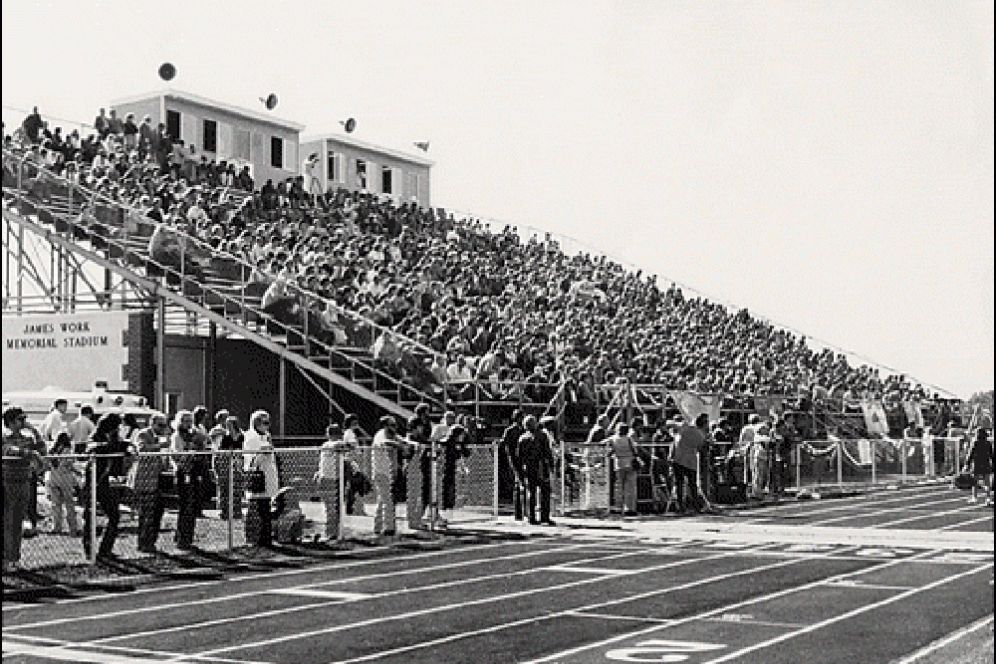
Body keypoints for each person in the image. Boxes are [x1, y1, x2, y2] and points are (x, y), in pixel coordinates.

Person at [81, 412, 131, 560]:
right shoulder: (96, 438)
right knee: (90, 518)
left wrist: (126, 447)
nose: (118, 429)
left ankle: (105, 549)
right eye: (116, 426)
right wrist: (110, 445)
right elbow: (91, 449)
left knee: (114, 516)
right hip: (94, 482)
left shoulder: (118, 440)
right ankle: (89, 551)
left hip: (109, 483)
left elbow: (124, 450)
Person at [3, 407, 45, 572]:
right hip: (8, 482)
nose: (23, 422)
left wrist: (35, 431)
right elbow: (8, 451)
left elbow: (42, 450)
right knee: (8, 521)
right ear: (11, 422)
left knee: (17, 522)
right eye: (20, 419)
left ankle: (14, 558)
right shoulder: (4, 438)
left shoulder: (28, 438)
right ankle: (7, 558)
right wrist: (29, 454)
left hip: (24, 481)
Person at [128, 412, 170, 553]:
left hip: (156, 478)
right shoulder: (143, 434)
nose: (163, 428)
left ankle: (151, 541)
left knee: (158, 511)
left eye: (165, 425)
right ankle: (143, 543)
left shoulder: (161, 436)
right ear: (152, 424)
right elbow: (142, 449)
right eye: (160, 425)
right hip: (144, 479)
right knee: (146, 513)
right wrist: (160, 445)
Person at [170, 410, 210, 551]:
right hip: (183, 472)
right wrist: (190, 453)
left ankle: (187, 536)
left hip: (194, 471)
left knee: (192, 505)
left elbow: (202, 447)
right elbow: (177, 455)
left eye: (190, 421)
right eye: (185, 421)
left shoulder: (194, 434)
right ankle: (182, 538)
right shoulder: (177, 436)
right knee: (185, 505)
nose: (188, 424)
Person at [244, 409, 279, 547]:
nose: (267, 425)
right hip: (258, 475)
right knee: (258, 508)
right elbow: (252, 457)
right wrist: (262, 451)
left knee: (266, 508)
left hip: (268, 474)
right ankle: (257, 538)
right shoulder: (251, 437)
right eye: (264, 422)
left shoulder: (266, 436)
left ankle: (266, 537)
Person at [371, 416, 409, 536]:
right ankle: (389, 528)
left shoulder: (394, 436)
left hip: (389, 472)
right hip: (380, 472)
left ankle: (377, 527)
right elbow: (385, 443)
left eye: (395, 425)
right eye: (392, 425)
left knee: (382, 500)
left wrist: (412, 444)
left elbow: (403, 440)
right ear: (385, 426)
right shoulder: (380, 435)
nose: (395, 427)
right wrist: (400, 446)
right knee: (388, 500)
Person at [315, 423, 351, 541]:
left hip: (334, 479)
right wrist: (347, 439)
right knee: (331, 508)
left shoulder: (331, 445)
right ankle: (331, 533)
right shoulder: (329, 444)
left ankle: (335, 532)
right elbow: (341, 445)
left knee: (336, 508)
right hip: (328, 480)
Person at [517, 415, 555, 526]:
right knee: (545, 492)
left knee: (531, 492)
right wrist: (551, 466)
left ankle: (531, 517)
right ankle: (545, 517)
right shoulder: (542, 435)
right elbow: (547, 452)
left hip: (529, 468)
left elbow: (519, 456)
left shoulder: (522, 438)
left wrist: (521, 470)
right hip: (541, 466)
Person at [671, 413, 710, 513]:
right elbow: (702, 448)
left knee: (679, 484)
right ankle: (696, 506)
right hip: (690, 461)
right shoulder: (700, 435)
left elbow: (674, 438)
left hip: (678, 458)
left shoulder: (684, 428)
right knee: (692, 484)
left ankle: (680, 506)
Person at [44, 433, 80, 536]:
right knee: (69, 504)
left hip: (53, 477)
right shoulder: (67, 451)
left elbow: (47, 464)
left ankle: (56, 527)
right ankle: (73, 527)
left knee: (56, 504)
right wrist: (77, 472)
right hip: (65, 477)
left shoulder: (52, 450)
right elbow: (70, 464)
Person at [211, 414, 245, 520]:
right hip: (226, 465)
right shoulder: (225, 437)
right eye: (227, 424)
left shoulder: (242, 436)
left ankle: (236, 511)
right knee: (224, 489)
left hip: (238, 465)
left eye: (229, 424)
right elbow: (220, 451)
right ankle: (224, 511)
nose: (228, 427)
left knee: (237, 489)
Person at [608, 422, 642, 516]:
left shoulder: (613, 439)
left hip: (618, 463)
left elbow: (609, 450)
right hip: (630, 463)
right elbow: (635, 452)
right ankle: (630, 508)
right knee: (630, 487)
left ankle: (618, 507)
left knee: (619, 487)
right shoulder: (629, 439)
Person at [500, 410, 526, 520]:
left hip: (524, 459)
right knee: (518, 484)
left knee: (522, 485)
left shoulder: (524, 430)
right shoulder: (510, 430)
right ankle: (518, 513)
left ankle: (524, 511)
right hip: (514, 460)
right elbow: (503, 443)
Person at [962, 428, 993, 506]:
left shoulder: (975, 443)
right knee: (987, 482)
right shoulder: (988, 443)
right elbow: (992, 455)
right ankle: (988, 498)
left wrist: (967, 464)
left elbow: (971, 454)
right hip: (986, 463)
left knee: (975, 482)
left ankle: (974, 497)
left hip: (977, 463)